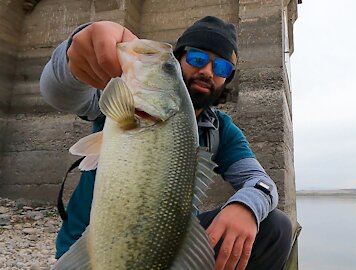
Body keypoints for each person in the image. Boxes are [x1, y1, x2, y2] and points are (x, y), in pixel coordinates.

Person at [40, 16, 292, 270]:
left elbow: (262, 183)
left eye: (222, 68)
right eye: (197, 59)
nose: (207, 72)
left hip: (166, 250)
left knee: (276, 228)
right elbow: (58, 92)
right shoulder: (123, 101)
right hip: (92, 253)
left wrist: (245, 206)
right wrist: (78, 49)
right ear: (181, 59)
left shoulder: (221, 129)